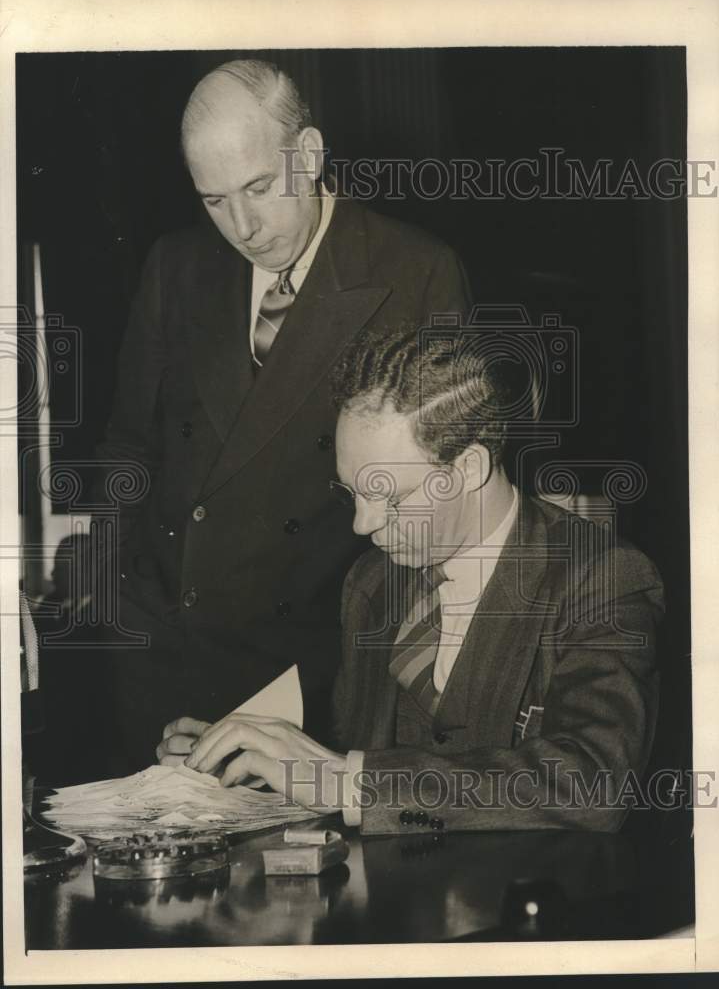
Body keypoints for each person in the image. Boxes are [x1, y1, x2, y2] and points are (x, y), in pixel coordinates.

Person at [94, 59, 471, 774]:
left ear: (311, 153)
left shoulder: (414, 271)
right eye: (214, 200)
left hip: (314, 681)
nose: (242, 226)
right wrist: (124, 608)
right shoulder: (175, 267)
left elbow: (436, 508)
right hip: (163, 668)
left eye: (261, 189)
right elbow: (130, 448)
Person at [160, 327, 664, 833]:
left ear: (468, 467)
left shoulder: (602, 579)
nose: (363, 524)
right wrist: (254, 762)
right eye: (352, 492)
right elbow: (349, 755)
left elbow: (594, 787)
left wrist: (347, 781)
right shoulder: (372, 583)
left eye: (391, 498)